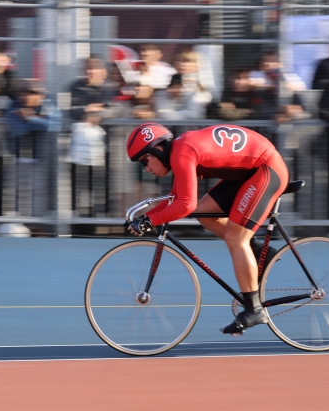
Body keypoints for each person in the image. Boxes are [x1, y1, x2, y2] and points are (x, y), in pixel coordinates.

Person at [124, 123, 291, 336]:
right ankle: (260, 252)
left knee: (236, 237)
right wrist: (145, 218)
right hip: (251, 171)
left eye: (144, 161)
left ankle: (254, 309)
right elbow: (175, 198)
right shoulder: (179, 151)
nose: (146, 168)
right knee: (204, 214)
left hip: (267, 169)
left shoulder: (182, 152)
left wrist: (149, 221)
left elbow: (186, 204)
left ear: (158, 149)